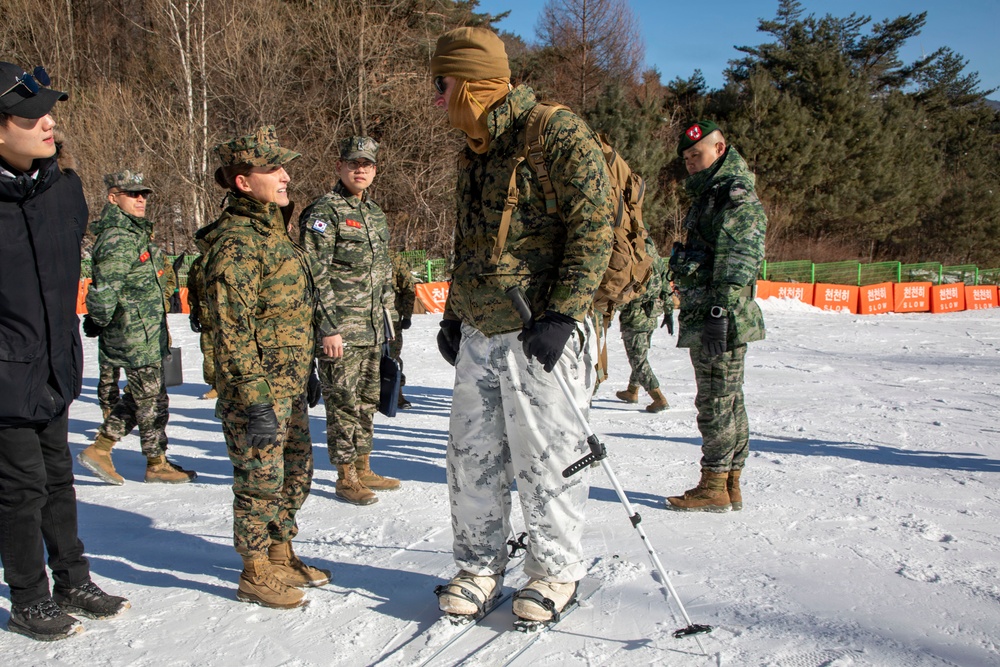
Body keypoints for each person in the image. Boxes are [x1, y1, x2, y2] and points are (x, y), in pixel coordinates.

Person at [430, 28, 613, 623]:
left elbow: (595, 226)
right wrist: (456, 311)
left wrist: (564, 312)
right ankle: (479, 566)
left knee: (548, 458)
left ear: (473, 82)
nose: (437, 99)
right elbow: (468, 239)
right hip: (483, 329)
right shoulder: (474, 149)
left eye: (443, 84)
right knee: (472, 457)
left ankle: (554, 573)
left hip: (541, 331)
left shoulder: (555, 131)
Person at [0, 60, 129, 641]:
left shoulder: (63, 189)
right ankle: (28, 597)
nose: (49, 123)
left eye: (49, 111)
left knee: (58, 478)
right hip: (5, 373)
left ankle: (71, 579)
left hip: (53, 364)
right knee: (19, 489)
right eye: (32, 116)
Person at [197, 125, 329, 609]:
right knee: (259, 481)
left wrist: (304, 370)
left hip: (288, 384)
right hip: (256, 391)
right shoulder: (235, 243)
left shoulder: (273, 230)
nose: (286, 175)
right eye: (272, 168)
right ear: (242, 183)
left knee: (295, 474)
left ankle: (279, 552)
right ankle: (254, 571)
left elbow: (291, 309)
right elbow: (230, 331)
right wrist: (254, 399)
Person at [666, 120, 767, 513]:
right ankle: (731, 482)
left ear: (720, 149)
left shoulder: (733, 196)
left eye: (698, 154)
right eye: (687, 157)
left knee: (715, 400)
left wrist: (717, 313)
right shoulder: (712, 193)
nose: (691, 162)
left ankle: (714, 485)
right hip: (714, 310)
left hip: (720, 313)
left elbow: (740, 258)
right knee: (728, 398)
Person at [76, 170, 197, 486]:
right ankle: (137, 459)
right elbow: (104, 290)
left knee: (147, 397)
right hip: (133, 333)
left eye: (143, 193)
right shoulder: (118, 238)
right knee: (149, 399)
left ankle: (120, 452)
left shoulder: (134, 233)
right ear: (113, 198)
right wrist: (98, 320)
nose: (141, 199)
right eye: (132, 194)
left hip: (145, 330)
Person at [300, 136, 400, 506]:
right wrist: (328, 328)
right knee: (342, 402)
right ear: (339, 167)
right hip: (340, 331)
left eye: (368, 164)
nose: (361, 170)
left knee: (367, 399)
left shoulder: (375, 214)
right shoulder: (324, 213)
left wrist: (389, 322)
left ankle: (363, 464)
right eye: (354, 163)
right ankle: (345, 477)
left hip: (373, 328)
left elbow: (383, 271)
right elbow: (315, 274)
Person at [614, 248, 674, 412]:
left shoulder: (632, 255)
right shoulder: (655, 255)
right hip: (651, 314)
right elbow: (666, 285)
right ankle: (632, 391)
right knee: (640, 355)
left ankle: (658, 398)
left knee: (637, 360)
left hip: (635, 317)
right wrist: (668, 311)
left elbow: (620, 284)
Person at [185, 251, 217, 399]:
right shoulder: (198, 264)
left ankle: (232, 387)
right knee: (209, 354)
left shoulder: (225, 257)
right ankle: (216, 386)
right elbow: (192, 291)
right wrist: (194, 314)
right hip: (207, 318)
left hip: (229, 319)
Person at [389, 250, 416, 409]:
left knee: (393, 356)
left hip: (390, 318)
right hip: (362, 317)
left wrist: (407, 315)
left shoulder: (395, 258)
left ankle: (396, 393)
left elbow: (408, 288)